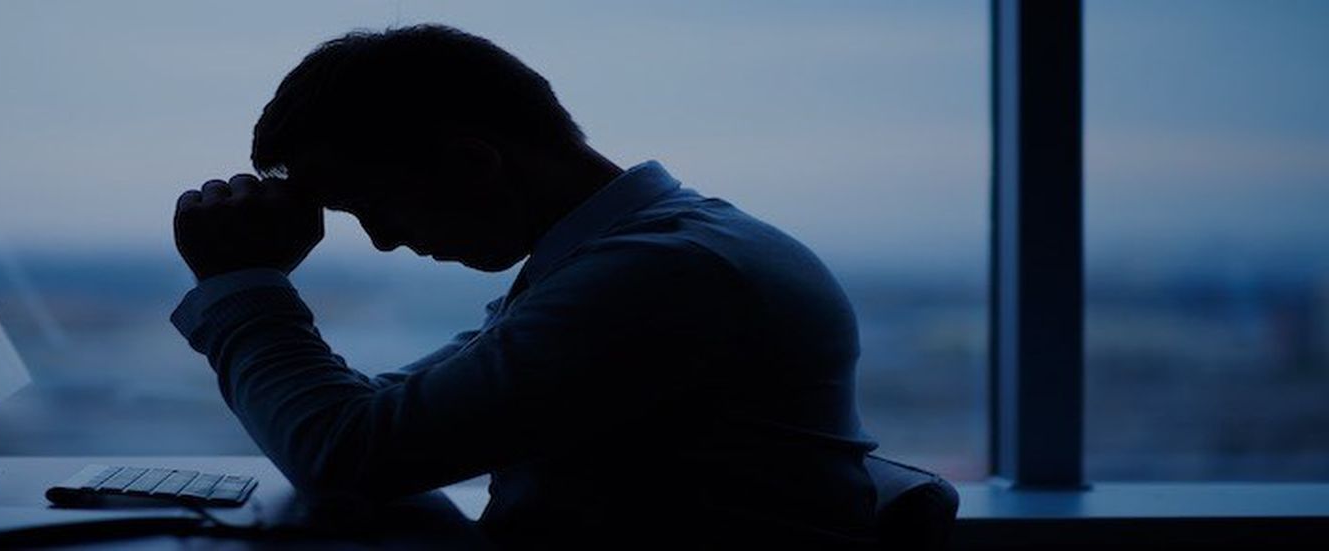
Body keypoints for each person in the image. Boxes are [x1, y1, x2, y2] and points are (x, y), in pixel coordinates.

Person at [169, 24, 878, 547]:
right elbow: (383, 423)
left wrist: (240, 283)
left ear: (472, 164)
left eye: (377, 207)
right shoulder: (650, 253)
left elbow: (350, 454)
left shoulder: (664, 276)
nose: (384, 240)